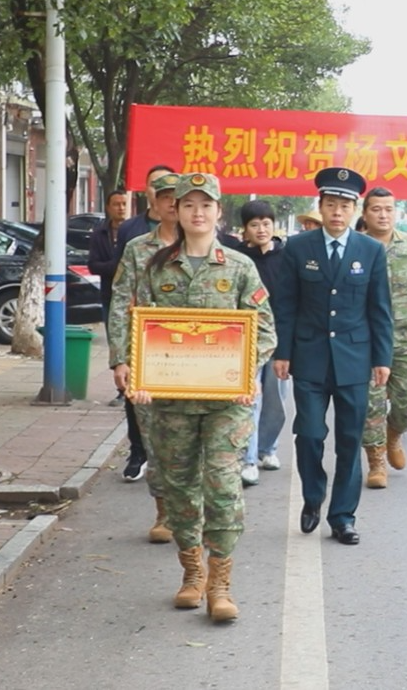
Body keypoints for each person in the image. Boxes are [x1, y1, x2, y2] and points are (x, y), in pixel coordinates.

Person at [119, 173, 274, 623]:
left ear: (218, 212)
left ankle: (221, 584)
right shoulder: (155, 267)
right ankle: (192, 573)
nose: (198, 212)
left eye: (206, 205)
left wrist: (249, 372)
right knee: (181, 487)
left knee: (223, 487)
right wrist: (138, 371)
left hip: (227, 401)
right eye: (188, 205)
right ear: (177, 211)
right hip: (170, 402)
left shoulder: (241, 267)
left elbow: (264, 329)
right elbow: (135, 324)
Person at [270, 167, 392, 545]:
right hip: (308, 356)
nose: (337, 212)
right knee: (309, 434)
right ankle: (312, 498)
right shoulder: (297, 248)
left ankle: (343, 517)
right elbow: (285, 304)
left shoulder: (370, 250)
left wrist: (382, 358)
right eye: (331, 204)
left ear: (355, 210)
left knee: (350, 439)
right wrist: (282, 351)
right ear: (320, 207)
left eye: (344, 205)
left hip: (355, 359)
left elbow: (380, 308)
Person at [109, 172, 180, 532]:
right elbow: (121, 303)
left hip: (199, 363)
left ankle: (191, 515)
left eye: (177, 196)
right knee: (156, 441)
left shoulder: (208, 247)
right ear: (153, 201)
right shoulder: (138, 249)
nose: (171, 202)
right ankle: (165, 512)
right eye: (164, 196)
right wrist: (119, 358)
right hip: (149, 362)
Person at [360, 187, 407, 489]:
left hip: (404, 336)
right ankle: (376, 461)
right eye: (376, 209)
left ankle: (394, 434)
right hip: (365, 338)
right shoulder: (357, 247)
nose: (383, 214)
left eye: (389, 209)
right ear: (365, 213)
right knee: (372, 403)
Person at [237, 199, 289, 484]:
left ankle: (268, 448)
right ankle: (248, 458)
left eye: (266, 223)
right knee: (250, 399)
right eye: (254, 224)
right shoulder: (237, 258)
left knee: (276, 399)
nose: (261, 229)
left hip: (279, 338)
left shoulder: (287, 256)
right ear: (245, 229)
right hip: (247, 339)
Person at [89, 190, 131, 407]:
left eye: (124, 204)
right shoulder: (100, 234)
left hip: (134, 298)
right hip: (110, 295)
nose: (121, 208)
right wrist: (113, 267)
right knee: (116, 342)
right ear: (108, 207)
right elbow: (93, 264)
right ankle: (121, 389)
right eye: (116, 204)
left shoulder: (134, 231)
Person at [117, 163, 177, 251]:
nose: (158, 190)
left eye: (166, 187)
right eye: (154, 185)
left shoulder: (189, 229)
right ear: (146, 190)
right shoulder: (128, 228)